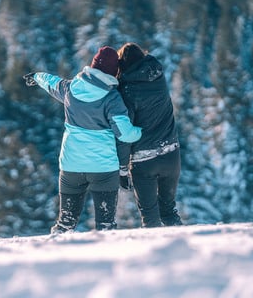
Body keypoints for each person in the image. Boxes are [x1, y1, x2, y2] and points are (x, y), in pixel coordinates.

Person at [24, 46, 142, 234]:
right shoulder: (112, 99)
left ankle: (53, 257)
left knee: (65, 223)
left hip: (71, 166)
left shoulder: (70, 88)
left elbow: (51, 82)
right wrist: (140, 131)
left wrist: (36, 76)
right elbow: (125, 134)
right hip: (103, 170)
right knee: (106, 226)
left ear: (92, 66)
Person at [115, 42, 183, 228]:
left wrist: (122, 168)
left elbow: (125, 134)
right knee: (169, 212)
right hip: (171, 154)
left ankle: (157, 256)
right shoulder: (158, 77)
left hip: (144, 161)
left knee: (151, 219)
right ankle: (183, 251)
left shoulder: (127, 90)